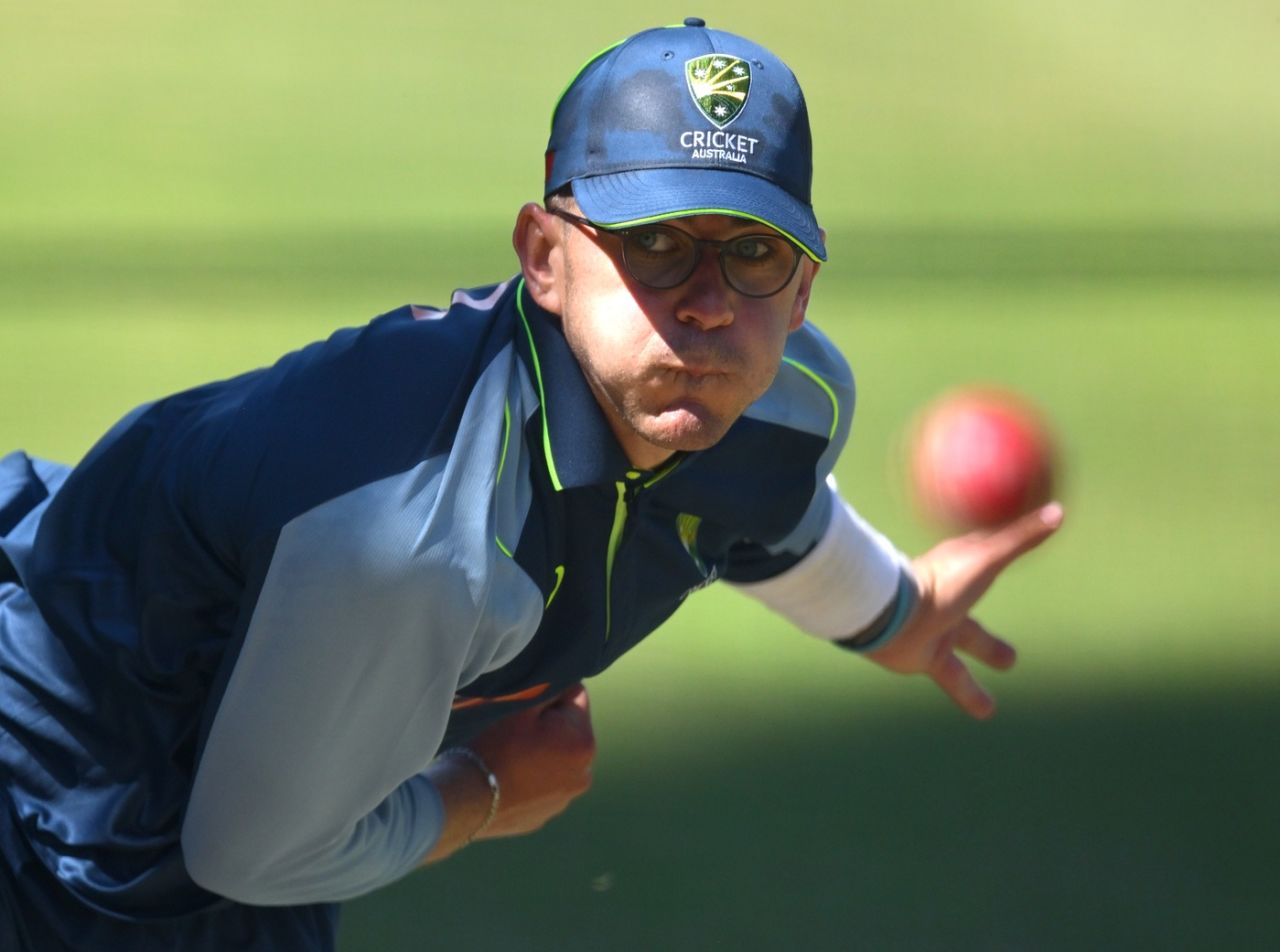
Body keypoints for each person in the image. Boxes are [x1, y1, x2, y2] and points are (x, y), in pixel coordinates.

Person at [0, 18, 1062, 952]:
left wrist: (895, 612)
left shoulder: (784, 400)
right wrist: (488, 793)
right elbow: (249, 853)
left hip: (229, 764)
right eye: (651, 246)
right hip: (65, 817)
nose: (704, 305)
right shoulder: (416, 543)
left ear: (803, 294)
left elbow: (765, 516)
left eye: (751, 251)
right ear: (542, 257)